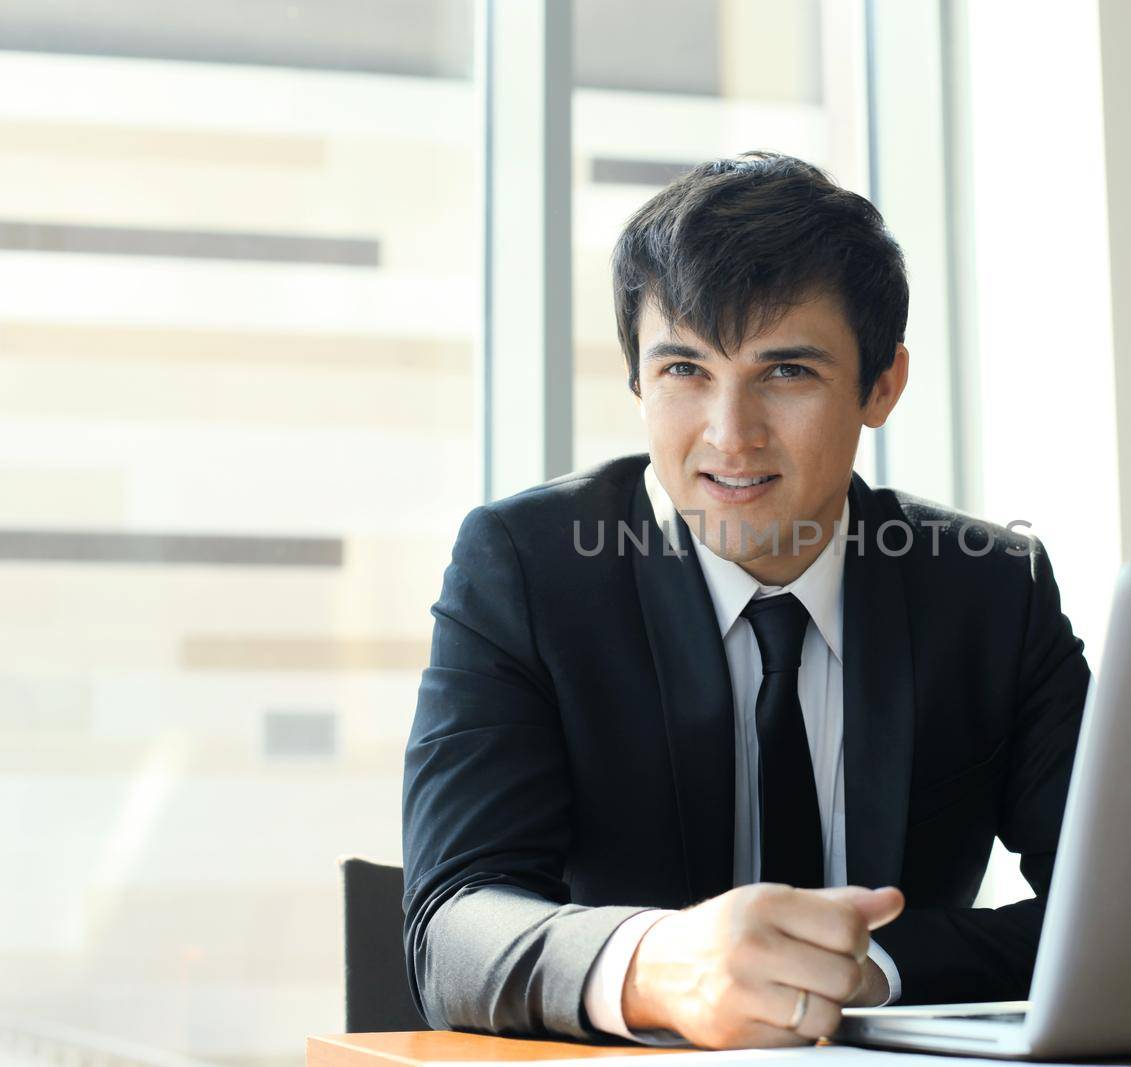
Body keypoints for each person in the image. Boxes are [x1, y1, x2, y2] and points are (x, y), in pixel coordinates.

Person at [400, 151, 1092, 1049]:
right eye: (685, 369)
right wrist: (656, 960)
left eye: (786, 372)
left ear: (882, 385)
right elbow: (451, 924)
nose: (730, 436)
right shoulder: (525, 569)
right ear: (638, 379)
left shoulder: (992, 588)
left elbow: (1123, 911)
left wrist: (867, 966)